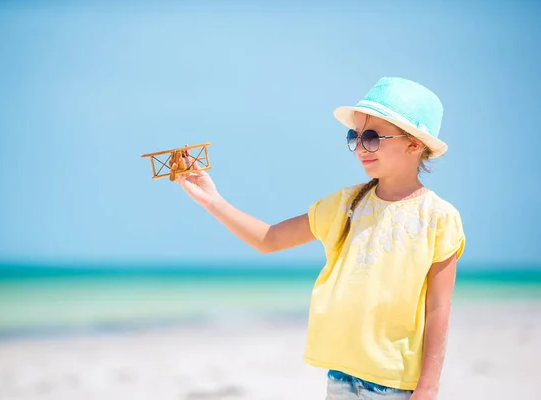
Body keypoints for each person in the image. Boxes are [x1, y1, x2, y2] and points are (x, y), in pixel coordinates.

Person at [175, 77, 466, 400]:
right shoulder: (343, 205)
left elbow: (438, 308)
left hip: (396, 385)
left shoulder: (439, 217)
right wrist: (212, 200)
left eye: (371, 137)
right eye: (353, 136)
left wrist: (428, 386)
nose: (359, 147)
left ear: (414, 144)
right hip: (341, 378)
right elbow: (269, 239)